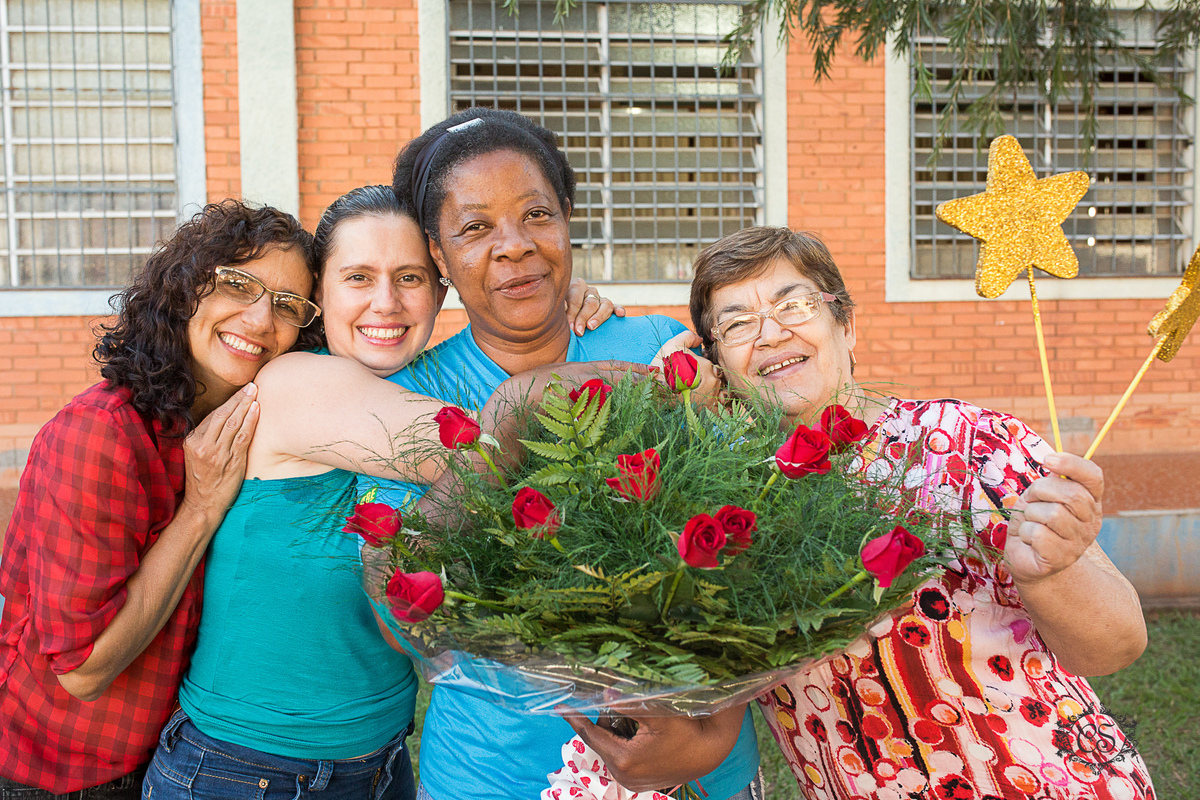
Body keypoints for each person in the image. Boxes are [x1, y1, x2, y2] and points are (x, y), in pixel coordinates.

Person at [141, 185, 624, 800]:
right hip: (246, 768)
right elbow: (498, 451)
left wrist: (559, 306)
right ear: (320, 294)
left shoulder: (421, 383)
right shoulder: (298, 383)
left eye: (410, 278)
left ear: (442, 289)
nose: (386, 303)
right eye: (358, 277)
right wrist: (604, 354)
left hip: (377, 761)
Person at [681, 226, 1154, 799]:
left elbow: (1116, 646)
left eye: (795, 304)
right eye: (736, 324)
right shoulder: (723, 504)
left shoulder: (974, 442)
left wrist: (1053, 574)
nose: (772, 334)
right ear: (717, 362)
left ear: (847, 325)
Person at [385, 108, 763, 800]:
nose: (515, 246)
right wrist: (514, 417)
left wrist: (708, 737)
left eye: (537, 214)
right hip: (495, 775)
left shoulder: (656, 349)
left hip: (696, 760)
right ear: (437, 256)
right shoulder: (409, 394)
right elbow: (398, 603)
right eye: (474, 228)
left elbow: (752, 543)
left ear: (567, 219)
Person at [0, 202, 318, 797]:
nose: (258, 318)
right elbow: (83, 669)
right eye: (238, 284)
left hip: (182, 756)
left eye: (286, 304)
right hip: (63, 770)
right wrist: (200, 509)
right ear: (186, 289)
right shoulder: (101, 435)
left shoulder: (245, 429)